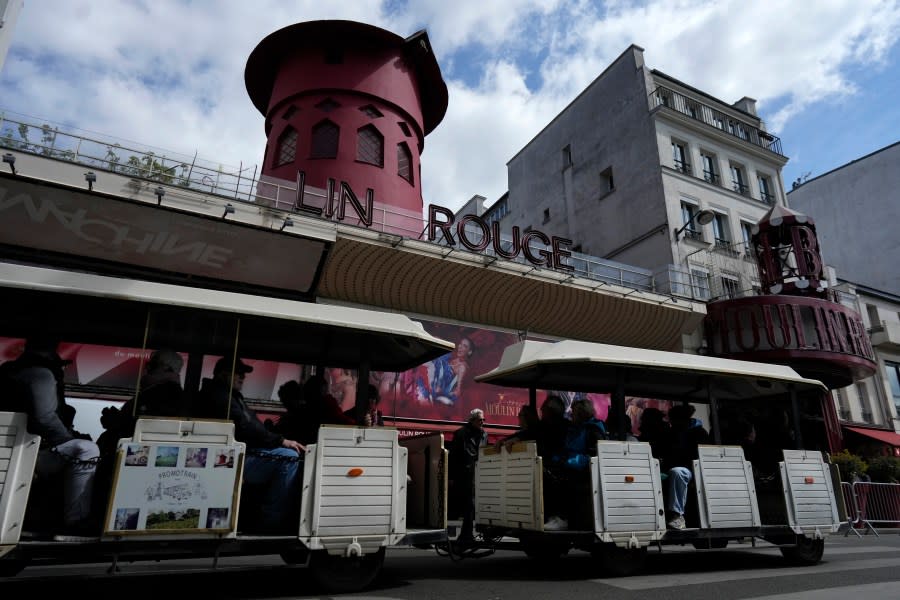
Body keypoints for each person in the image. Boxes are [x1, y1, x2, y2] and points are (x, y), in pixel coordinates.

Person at [1, 338, 100, 537]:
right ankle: (75, 522)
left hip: (9, 451)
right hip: (24, 454)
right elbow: (44, 417)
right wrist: (66, 439)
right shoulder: (41, 373)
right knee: (87, 450)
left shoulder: (8, 370)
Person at [196, 357, 305, 533]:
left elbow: (252, 425)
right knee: (289, 457)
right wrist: (281, 440)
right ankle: (272, 520)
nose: (242, 377)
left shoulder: (227, 394)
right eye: (238, 373)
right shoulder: (221, 396)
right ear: (223, 374)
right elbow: (246, 426)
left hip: (236, 452)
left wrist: (271, 433)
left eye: (243, 374)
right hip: (231, 458)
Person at [543, 398, 607, 531]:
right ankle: (550, 516)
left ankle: (562, 518)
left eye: (575, 412)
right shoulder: (575, 429)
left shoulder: (593, 430)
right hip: (571, 466)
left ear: (583, 413)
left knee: (558, 480)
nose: (571, 414)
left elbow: (594, 456)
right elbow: (566, 450)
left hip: (585, 470)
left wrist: (568, 462)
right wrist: (556, 459)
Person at [660, 403, 710, 530]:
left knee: (677, 472)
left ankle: (677, 516)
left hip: (693, 469)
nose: (671, 423)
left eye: (674, 420)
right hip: (671, 468)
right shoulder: (671, 433)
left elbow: (701, 456)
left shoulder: (699, 433)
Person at [450, 408, 487, 542]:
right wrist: (452, 477)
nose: (482, 422)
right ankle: (466, 534)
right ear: (471, 421)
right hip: (464, 475)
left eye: (483, 419)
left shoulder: (484, 434)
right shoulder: (460, 434)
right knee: (469, 504)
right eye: (479, 419)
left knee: (473, 504)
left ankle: (467, 535)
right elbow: (453, 457)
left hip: (478, 474)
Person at [416, 336, 474, 406]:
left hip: (440, 389)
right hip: (434, 383)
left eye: (464, 346)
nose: (460, 347)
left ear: (469, 352)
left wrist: (445, 394)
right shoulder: (453, 359)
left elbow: (458, 390)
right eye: (460, 344)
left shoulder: (462, 367)